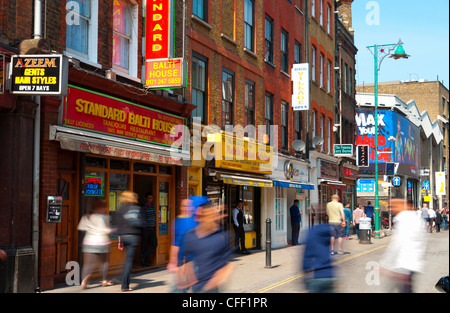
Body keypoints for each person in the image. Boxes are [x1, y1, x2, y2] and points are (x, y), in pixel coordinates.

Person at [182, 204, 235, 292]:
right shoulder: (191, 235)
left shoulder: (222, 237)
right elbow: (186, 259)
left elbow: (227, 264)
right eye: (207, 215)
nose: (211, 218)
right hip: (196, 287)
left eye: (212, 215)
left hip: (212, 287)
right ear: (202, 217)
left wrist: (219, 277)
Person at [380, 198, 427, 293]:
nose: (390, 209)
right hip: (409, 266)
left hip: (403, 266)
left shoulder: (405, 219)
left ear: (403, 205)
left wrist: (385, 265)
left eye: (393, 206)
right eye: (389, 206)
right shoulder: (414, 218)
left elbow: (398, 244)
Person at [167, 196, 209, 292]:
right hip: (186, 262)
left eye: (189, 206)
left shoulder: (196, 221)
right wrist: (173, 262)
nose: (188, 208)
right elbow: (175, 243)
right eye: (185, 206)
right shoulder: (180, 222)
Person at [77, 199, 114, 289]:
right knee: (104, 262)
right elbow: (104, 230)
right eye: (105, 207)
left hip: (88, 242)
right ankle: (104, 280)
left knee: (88, 264)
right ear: (102, 207)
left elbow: (81, 227)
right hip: (102, 242)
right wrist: (112, 230)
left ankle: (84, 281)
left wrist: (91, 230)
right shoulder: (105, 217)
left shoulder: (87, 216)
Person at [116, 191, 142, 291]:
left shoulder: (120, 209)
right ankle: (125, 286)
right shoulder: (135, 208)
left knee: (127, 260)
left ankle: (125, 283)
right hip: (133, 237)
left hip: (123, 236)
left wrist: (119, 241)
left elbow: (119, 227)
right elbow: (140, 223)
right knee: (128, 262)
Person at [302, 223, 336, 293]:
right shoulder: (329, 231)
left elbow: (307, 256)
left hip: (317, 276)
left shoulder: (312, 232)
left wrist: (305, 276)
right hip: (329, 274)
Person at [140, 192, 157, 267]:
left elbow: (154, 217)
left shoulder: (153, 206)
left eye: (151, 198)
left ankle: (144, 256)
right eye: (149, 198)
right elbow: (142, 218)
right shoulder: (143, 207)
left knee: (154, 244)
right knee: (144, 245)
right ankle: (143, 261)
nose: (150, 200)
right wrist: (145, 227)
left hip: (152, 228)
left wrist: (155, 225)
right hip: (146, 229)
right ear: (145, 198)